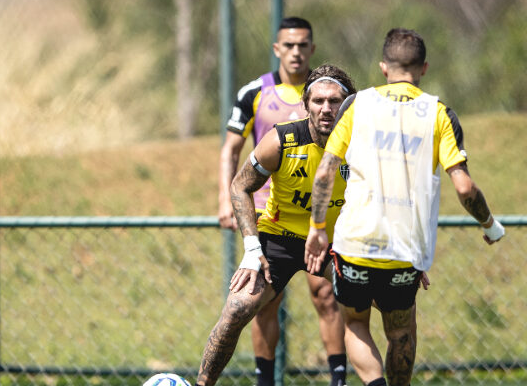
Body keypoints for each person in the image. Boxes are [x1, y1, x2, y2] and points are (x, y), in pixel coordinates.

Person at [304, 28, 506, 386]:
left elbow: (325, 173)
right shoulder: (439, 114)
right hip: (405, 250)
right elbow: (465, 187)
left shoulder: (357, 105)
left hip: (355, 244)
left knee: (354, 323)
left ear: (384, 67)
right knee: (400, 331)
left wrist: (318, 229)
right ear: (424, 67)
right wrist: (490, 226)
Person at [197, 64, 357, 386]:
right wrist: (251, 249)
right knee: (237, 308)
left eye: (335, 101)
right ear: (305, 104)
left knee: (387, 304)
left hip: (332, 242)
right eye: (318, 101)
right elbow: (240, 186)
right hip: (277, 239)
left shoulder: (362, 148)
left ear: (348, 104)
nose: (326, 109)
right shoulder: (281, 141)